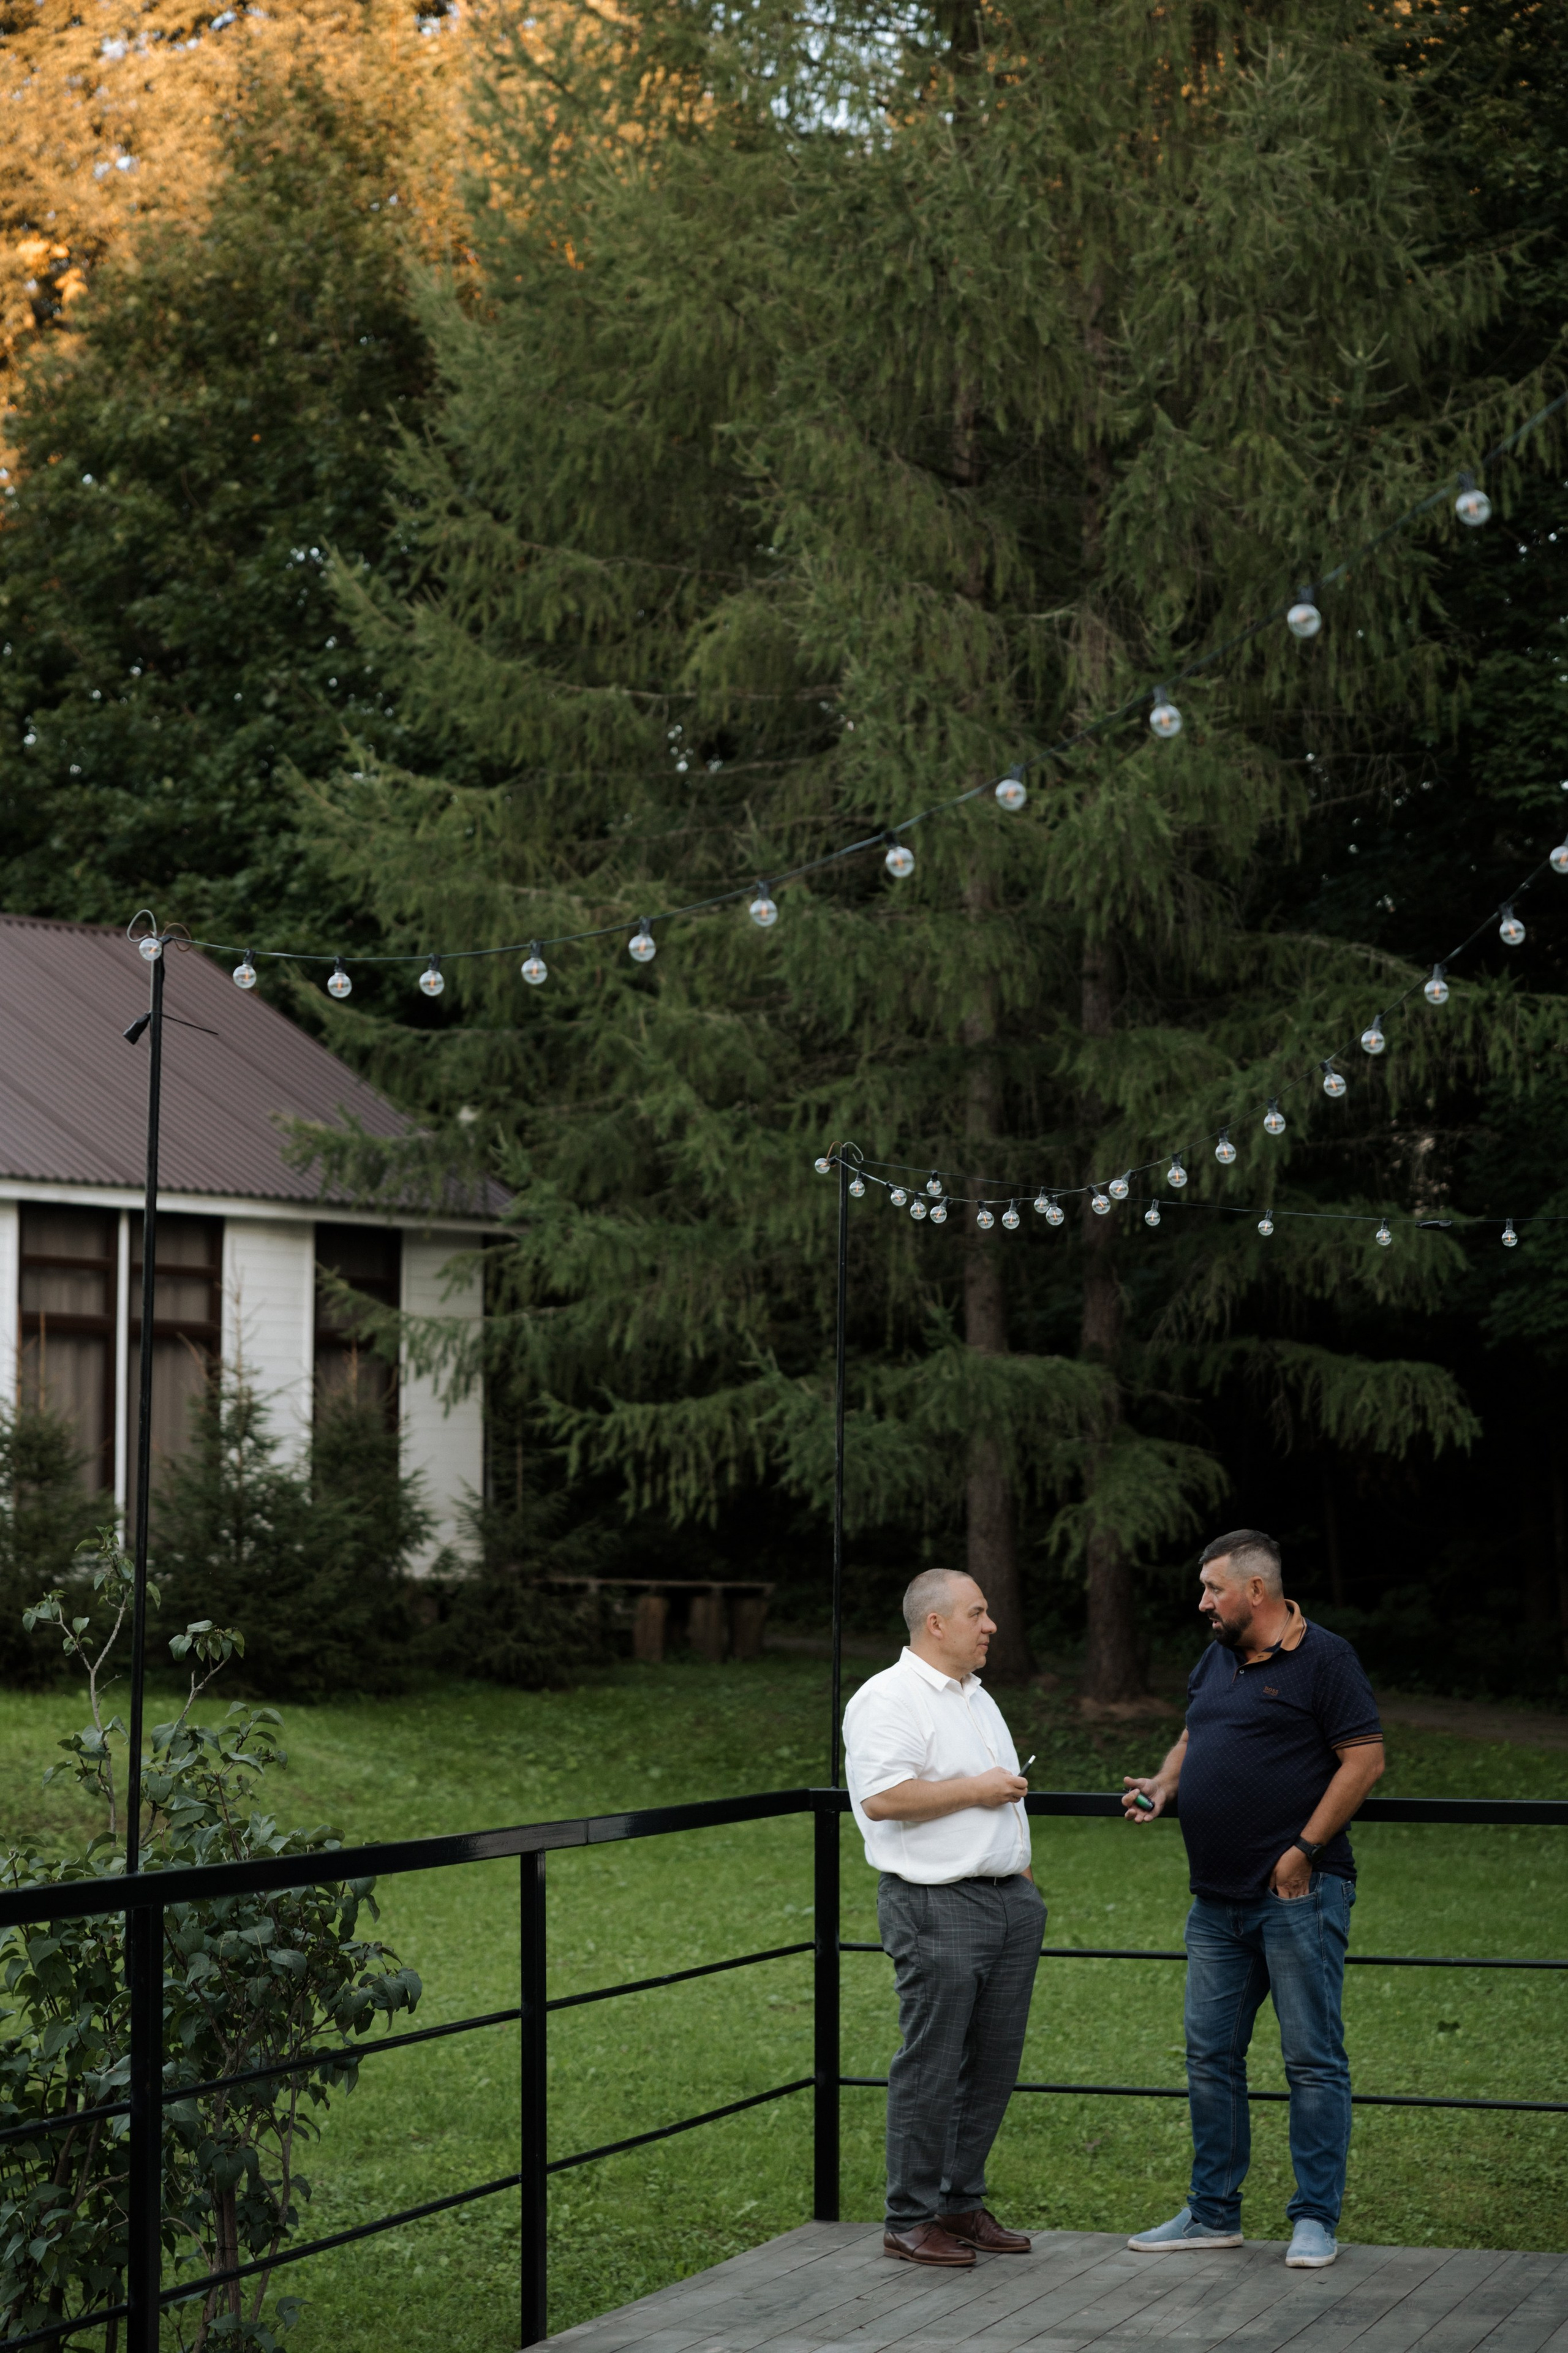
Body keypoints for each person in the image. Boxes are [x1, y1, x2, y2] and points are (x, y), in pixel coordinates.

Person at [1120, 1528, 1384, 2272]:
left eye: (1213, 1588)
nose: (1203, 1602)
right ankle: (1212, 2212)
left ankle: (1314, 2218)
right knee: (1210, 2056)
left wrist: (1302, 1852)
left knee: (1311, 2060)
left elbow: (1364, 1760)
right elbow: (1193, 1731)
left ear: (1256, 1591)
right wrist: (1165, 1783)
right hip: (1215, 1900)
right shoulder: (1217, 1656)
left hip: (1299, 1894)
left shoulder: (1326, 1659)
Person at [843, 1568, 1044, 2270]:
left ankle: (959, 2203)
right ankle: (909, 2218)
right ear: (936, 1623)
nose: (991, 1625)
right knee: (931, 2064)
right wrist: (978, 1790)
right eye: (977, 1613)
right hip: (935, 1903)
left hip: (1007, 1902)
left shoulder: (976, 1696)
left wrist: (1021, 1878)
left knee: (992, 2063)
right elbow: (882, 1798)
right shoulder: (887, 1697)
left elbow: (1000, 1798)